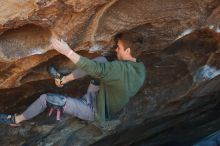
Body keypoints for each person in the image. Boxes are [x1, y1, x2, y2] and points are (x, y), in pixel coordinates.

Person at [0, 31, 146, 126]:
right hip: (99, 96)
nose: (115, 49)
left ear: (127, 50)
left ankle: (14, 120)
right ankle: (62, 80)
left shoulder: (118, 69)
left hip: (94, 110)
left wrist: (68, 52)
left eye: (118, 47)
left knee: (47, 99)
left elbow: (94, 68)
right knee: (101, 60)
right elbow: (105, 70)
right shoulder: (140, 68)